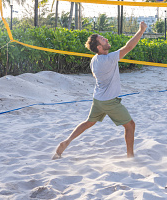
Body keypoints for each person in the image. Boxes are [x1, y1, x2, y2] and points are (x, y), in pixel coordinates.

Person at [53, 22, 148, 159]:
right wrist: (141, 30)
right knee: (130, 125)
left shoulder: (94, 60)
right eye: (103, 39)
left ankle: (66, 142)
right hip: (109, 101)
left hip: (98, 99)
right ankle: (130, 157)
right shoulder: (109, 59)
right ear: (99, 46)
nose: (107, 39)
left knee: (88, 122)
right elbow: (129, 46)